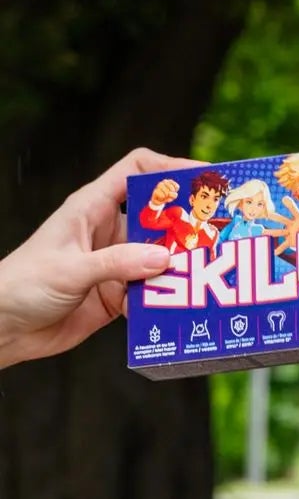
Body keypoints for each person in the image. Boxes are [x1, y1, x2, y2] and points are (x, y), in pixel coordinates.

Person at [0, 149, 187, 370]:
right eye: (204, 196)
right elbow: (152, 219)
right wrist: (156, 202)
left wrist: (8, 322)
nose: (209, 204)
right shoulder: (178, 215)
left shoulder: (212, 232)